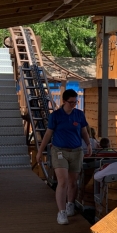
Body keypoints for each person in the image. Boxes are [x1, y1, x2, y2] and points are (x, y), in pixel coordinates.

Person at [36, 89, 91, 224]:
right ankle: (61, 212)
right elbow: (48, 134)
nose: (73, 105)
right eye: (71, 102)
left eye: (75, 102)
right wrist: (40, 151)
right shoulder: (55, 116)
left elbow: (84, 131)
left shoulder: (79, 114)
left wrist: (89, 144)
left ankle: (70, 203)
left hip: (76, 151)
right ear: (64, 101)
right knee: (63, 181)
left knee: (73, 181)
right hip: (59, 151)